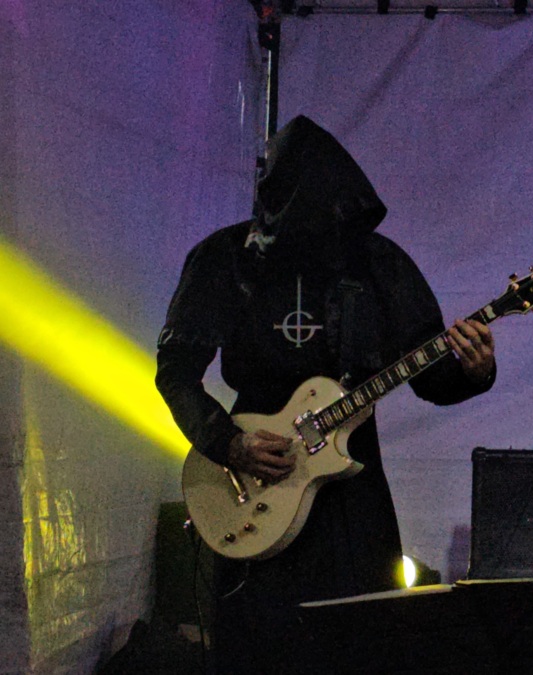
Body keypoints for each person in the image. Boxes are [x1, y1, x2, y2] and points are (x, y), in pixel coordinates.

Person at [155, 115, 496, 672]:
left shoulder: (377, 261)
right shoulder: (226, 257)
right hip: (257, 471)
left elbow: (430, 377)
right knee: (259, 644)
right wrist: (230, 445)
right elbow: (175, 371)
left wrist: (475, 372)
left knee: (363, 637)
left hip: (351, 488)